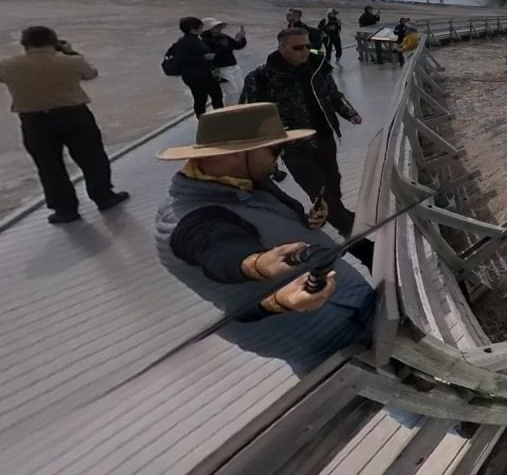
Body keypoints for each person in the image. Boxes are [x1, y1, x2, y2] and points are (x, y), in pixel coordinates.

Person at [154, 103, 373, 369]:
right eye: (274, 150)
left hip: (354, 311)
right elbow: (217, 248)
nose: (277, 160)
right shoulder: (184, 219)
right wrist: (257, 264)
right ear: (238, 153)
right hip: (325, 340)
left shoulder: (237, 181)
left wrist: (308, 222)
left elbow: (263, 223)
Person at [241, 28, 366, 245]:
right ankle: (349, 230)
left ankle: (336, 214)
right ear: (281, 48)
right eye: (298, 48)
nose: (305, 51)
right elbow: (249, 112)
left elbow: (334, 96)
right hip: (294, 145)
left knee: (333, 183)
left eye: (308, 46)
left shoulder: (318, 67)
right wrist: (265, 148)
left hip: (325, 136)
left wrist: (350, 113)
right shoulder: (260, 77)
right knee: (318, 189)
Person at [0, 27, 128, 224]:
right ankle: (103, 196)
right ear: (54, 42)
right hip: (74, 116)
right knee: (92, 159)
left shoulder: (7, 65)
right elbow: (91, 74)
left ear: (25, 44)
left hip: (34, 121)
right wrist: (69, 51)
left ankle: (65, 209)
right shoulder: (71, 61)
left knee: (49, 166)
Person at [168, 16, 223, 118]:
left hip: (194, 76)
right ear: (194, 29)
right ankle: (216, 120)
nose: (202, 29)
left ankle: (205, 120)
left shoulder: (187, 40)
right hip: (199, 76)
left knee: (203, 98)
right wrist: (204, 58)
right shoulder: (188, 42)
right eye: (200, 27)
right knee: (209, 97)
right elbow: (183, 60)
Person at [201, 18, 248, 92]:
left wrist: (242, 38)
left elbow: (237, 46)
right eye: (216, 26)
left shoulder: (224, 37)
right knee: (230, 91)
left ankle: (240, 103)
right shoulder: (205, 41)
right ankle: (230, 104)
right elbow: (215, 54)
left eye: (219, 26)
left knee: (241, 89)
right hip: (222, 68)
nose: (219, 28)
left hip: (234, 66)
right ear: (209, 29)